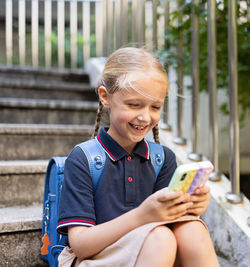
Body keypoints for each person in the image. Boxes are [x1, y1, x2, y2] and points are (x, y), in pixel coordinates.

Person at [57, 47, 219, 267]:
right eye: (134, 104)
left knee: (192, 228)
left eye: (155, 107)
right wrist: (143, 215)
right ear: (105, 97)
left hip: (150, 254)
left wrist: (191, 207)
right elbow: (81, 245)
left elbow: (169, 222)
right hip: (95, 259)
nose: (145, 116)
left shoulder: (163, 159)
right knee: (159, 238)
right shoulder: (83, 158)